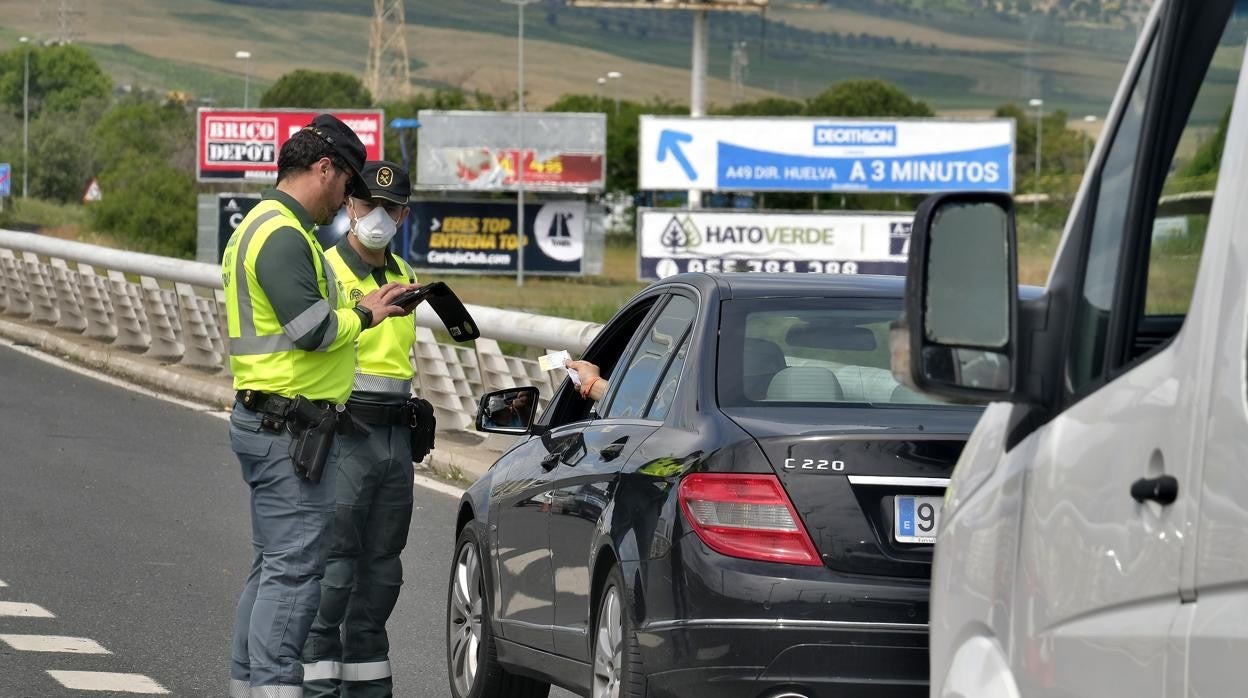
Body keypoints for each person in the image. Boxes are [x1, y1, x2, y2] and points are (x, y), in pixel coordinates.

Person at [223, 115, 417, 698]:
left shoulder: (270, 226)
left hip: (281, 419)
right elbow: (309, 329)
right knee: (296, 577)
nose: (347, 200)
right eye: (346, 184)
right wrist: (366, 315)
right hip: (290, 427)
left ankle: (250, 686)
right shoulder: (281, 233)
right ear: (323, 168)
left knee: (272, 569)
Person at [302, 161, 426, 698]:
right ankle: (313, 690)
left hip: (395, 439)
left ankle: (370, 691)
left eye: (390, 208)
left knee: (381, 578)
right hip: (345, 431)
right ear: (349, 204)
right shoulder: (324, 268)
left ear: (404, 214)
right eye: (368, 204)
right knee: (333, 576)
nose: (378, 216)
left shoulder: (406, 275)